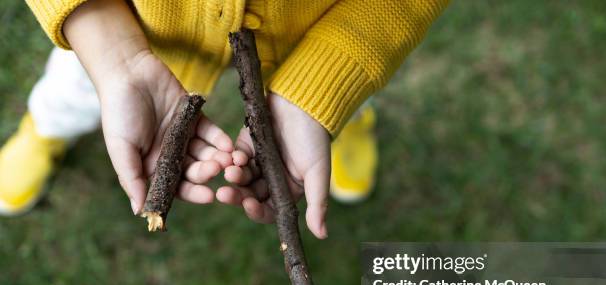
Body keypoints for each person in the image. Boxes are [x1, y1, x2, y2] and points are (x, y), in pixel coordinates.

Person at [0, 0, 449, 239]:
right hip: (130, 29)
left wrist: (330, 75)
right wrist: (110, 50)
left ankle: (340, 129)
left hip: (316, 34)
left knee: (339, 104)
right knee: (76, 92)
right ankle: (46, 130)